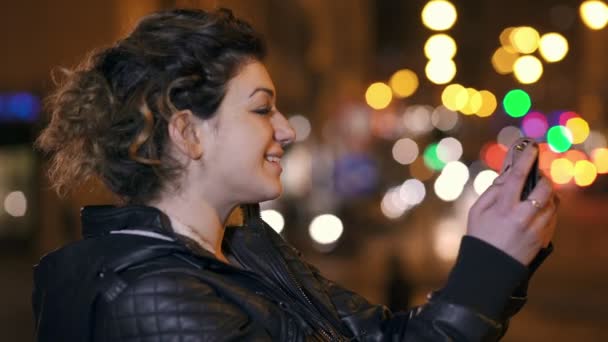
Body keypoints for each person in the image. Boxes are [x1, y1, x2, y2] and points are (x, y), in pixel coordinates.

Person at [32, 8, 559, 341]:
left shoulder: (246, 250)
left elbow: (386, 336)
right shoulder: (151, 297)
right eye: (262, 110)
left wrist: (500, 256)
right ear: (188, 133)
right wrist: (485, 270)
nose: (285, 130)